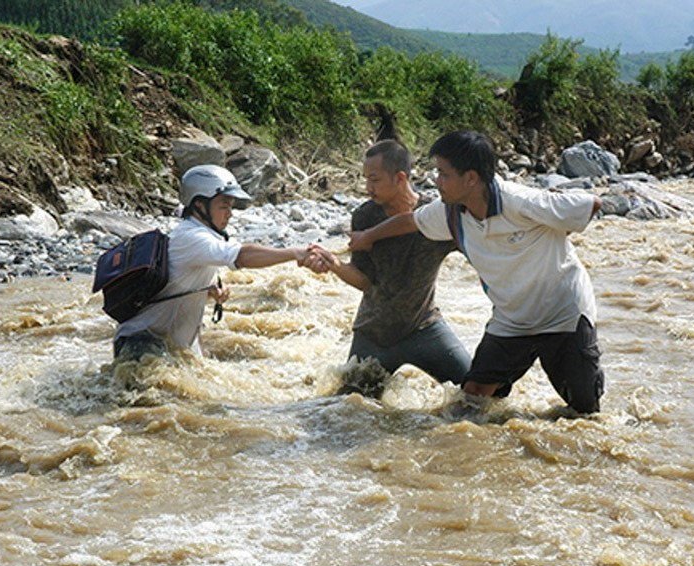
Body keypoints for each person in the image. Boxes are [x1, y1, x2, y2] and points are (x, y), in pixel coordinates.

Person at [349, 131, 605, 413]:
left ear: (470, 178)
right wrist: (369, 236)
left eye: (444, 174)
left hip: (563, 315)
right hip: (512, 320)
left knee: (584, 411)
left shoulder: (521, 201)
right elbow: (411, 221)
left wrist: (550, 238)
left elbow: (591, 204)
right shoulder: (449, 212)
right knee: (470, 404)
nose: (437, 181)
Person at [304, 139, 471, 396]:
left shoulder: (436, 214)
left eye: (374, 180)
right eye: (365, 179)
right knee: (348, 411)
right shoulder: (365, 217)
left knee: (476, 393)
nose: (367, 188)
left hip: (424, 329)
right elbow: (364, 281)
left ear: (400, 178)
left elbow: (476, 251)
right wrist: (335, 265)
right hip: (374, 335)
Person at [113, 164, 307, 360]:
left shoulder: (201, 235)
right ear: (199, 206)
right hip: (141, 344)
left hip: (165, 344)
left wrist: (210, 291)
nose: (230, 214)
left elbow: (177, 282)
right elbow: (241, 256)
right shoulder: (192, 237)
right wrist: (293, 253)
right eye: (223, 206)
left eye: (231, 206)